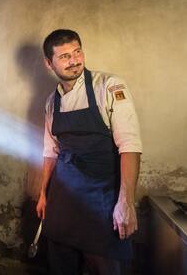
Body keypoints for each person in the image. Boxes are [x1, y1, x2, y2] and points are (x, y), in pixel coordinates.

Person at [36, 29, 142, 275]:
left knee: (106, 266)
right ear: (48, 63)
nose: (74, 60)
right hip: (63, 197)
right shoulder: (52, 102)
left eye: (77, 52)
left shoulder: (109, 86)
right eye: (64, 57)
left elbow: (130, 146)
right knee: (61, 262)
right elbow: (50, 151)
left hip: (103, 198)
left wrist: (126, 202)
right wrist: (43, 193)